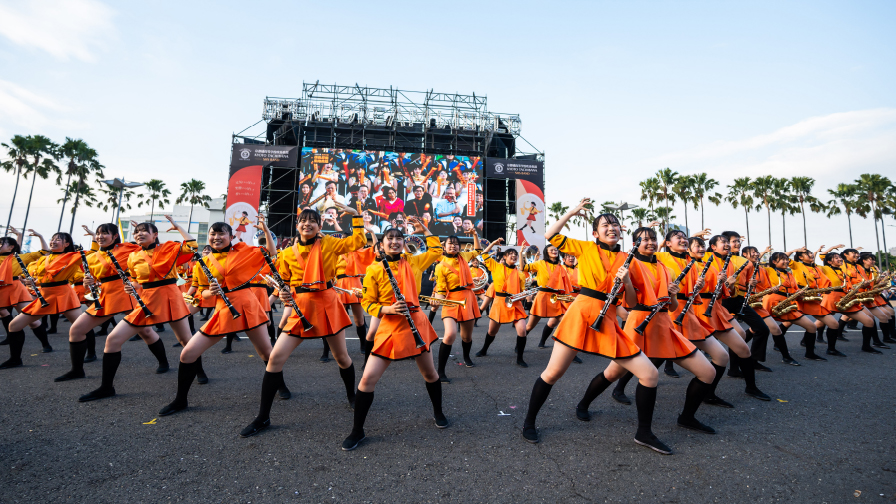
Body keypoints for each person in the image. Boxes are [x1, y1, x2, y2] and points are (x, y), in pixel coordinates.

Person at [521, 199, 671, 454]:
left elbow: (632, 303)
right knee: (553, 373)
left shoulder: (629, 258)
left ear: (621, 230)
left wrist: (628, 283)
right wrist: (571, 211)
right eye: (605, 224)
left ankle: (644, 433)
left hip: (609, 319)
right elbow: (550, 235)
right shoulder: (586, 248)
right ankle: (529, 422)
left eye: (614, 224)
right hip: (580, 314)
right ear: (595, 232)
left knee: (650, 375)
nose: (611, 227)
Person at [239, 203, 365, 438]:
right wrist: (284, 291)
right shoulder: (286, 253)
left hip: (327, 304)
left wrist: (356, 216)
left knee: (341, 357)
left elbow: (357, 242)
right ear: (297, 226)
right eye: (303, 221)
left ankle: (352, 395)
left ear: (319, 226)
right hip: (300, 308)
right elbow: (284, 280)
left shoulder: (329, 243)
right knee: (275, 358)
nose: (307, 224)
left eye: (312, 221)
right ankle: (262, 416)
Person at [588, 227, 717, 434]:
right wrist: (627, 282)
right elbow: (628, 302)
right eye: (644, 239)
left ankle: (687, 417)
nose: (650, 242)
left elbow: (672, 307)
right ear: (634, 244)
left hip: (664, 324)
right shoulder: (629, 264)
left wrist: (674, 295)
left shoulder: (666, 268)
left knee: (707, 372)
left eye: (653, 239)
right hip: (638, 323)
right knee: (613, 372)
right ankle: (584, 404)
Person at [157, 218, 287, 416]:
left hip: (248, 307)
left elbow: (271, 253)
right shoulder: (202, 262)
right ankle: (180, 399)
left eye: (221, 234)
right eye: (213, 234)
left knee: (267, 354)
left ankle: (281, 385)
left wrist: (267, 231)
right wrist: (212, 291)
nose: (216, 237)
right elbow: (203, 294)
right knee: (187, 354)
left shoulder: (245, 251)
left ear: (231, 237)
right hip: (222, 311)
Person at [341, 217, 445, 451]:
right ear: (382, 244)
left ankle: (438, 411)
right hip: (389, 326)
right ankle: (358, 430)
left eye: (399, 238)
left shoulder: (415, 262)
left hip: (416, 323)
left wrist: (425, 229)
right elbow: (368, 303)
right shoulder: (373, 269)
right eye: (390, 238)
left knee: (430, 374)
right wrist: (387, 309)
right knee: (367, 379)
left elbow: (437, 249)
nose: (395, 242)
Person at [78, 216, 201, 402]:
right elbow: (136, 278)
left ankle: (199, 373)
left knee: (187, 342)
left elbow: (192, 245)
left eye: (144, 231)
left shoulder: (168, 247)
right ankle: (106, 387)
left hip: (170, 297)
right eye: (136, 232)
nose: (139, 234)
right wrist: (133, 286)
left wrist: (178, 227)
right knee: (113, 340)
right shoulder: (133, 256)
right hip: (146, 300)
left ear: (155, 235)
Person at [54, 224, 168, 382]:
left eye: (105, 234)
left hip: (128, 292)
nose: (100, 236)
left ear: (115, 236)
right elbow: (92, 280)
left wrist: (145, 232)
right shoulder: (91, 257)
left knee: (146, 332)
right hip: (105, 295)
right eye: (99, 234)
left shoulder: (128, 248)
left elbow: (151, 250)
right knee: (76, 330)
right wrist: (88, 281)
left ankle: (164, 362)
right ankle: (77, 370)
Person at [6, 231, 82, 369]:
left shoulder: (72, 257)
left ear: (66, 244)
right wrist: (31, 281)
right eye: (52, 239)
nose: (53, 242)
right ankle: (15, 359)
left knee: (82, 327)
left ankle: (89, 356)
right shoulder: (43, 259)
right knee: (14, 326)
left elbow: (94, 256)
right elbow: (40, 277)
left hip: (64, 294)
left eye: (57, 240)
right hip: (45, 295)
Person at [431, 231, 483, 382]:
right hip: (451, 300)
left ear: (459, 247)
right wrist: (437, 301)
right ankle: (440, 371)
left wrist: (474, 235)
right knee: (450, 335)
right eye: (450, 243)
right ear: (445, 247)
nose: (453, 246)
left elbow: (478, 250)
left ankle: (466, 357)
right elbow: (440, 289)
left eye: (455, 244)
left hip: (468, 298)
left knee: (467, 337)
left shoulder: (464, 257)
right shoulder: (440, 266)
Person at [762, 251, 827, 362]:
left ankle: (810, 353)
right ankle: (741, 352)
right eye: (783, 259)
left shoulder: (789, 273)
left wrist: (799, 293)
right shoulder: (767, 270)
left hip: (788, 303)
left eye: (787, 259)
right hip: (771, 303)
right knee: (758, 329)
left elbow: (794, 289)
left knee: (811, 327)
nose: (786, 261)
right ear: (773, 261)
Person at [740, 246, 799, 366]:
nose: (756, 254)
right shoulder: (741, 266)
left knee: (771, 329)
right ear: (744, 254)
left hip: (757, 302)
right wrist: (747, 285)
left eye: (757, 252)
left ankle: (785, 357)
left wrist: (771, 290)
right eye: (753, 252)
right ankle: (738, 353)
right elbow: (734, 284)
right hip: (743, 301)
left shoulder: (761, 269)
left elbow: (765, 287)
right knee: (753, 330)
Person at [476, 239, 530, 367]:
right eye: (510, 254)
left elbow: (522, 292)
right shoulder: (496, 266)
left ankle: (520, 358)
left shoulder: (521, 274)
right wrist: (493, 244)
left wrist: (524, 295)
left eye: (515, 254)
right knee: (491, 331)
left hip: (515, 303)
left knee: (522, 330)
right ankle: (484, 349)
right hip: (499, 302)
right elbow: (483, 254)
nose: (514, 256)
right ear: (504, 257)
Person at [819, 250, 884, 353]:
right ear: (829, 261)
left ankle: (866, 346)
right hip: (831, 298)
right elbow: (812, 264)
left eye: (839, 257)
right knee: (821, 323)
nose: (840, 259)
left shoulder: (842, 270)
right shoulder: (825, 268)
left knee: (869, 321)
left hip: (847, 297)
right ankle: (828, 347)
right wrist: (826, 250)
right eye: (836, 258)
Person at [523, 244, 574, 361]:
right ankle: (520, 343)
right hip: (542, 296)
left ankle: (570, 352)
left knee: (567, 323)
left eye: (555, 249)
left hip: (556, 297)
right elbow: (524, 268)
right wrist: (522, 254)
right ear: (547, 252)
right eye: (551, 250)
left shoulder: (561, 266)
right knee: (530, 326)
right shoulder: (540, 263)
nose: (554, 251)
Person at [0, 228, 45, 355]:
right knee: (3, 312)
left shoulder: (18, 257)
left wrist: (40, 236)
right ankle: (10, 335)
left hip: (15, 287)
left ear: (11, 247)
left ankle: (46, 344)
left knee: (31, 320)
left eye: (1, 244)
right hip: (1, 288)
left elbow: (43, 252)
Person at [335, 228, 378, 354]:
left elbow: (375, 250)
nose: (344, 240)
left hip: (354, 283)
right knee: (336, 319)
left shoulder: (357, 252)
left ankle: (363, 345)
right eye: (342, 239)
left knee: (359, 320)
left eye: (346, 239)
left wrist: (372, 233)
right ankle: (328, 349)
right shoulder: (336, 252)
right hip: (339, 284)